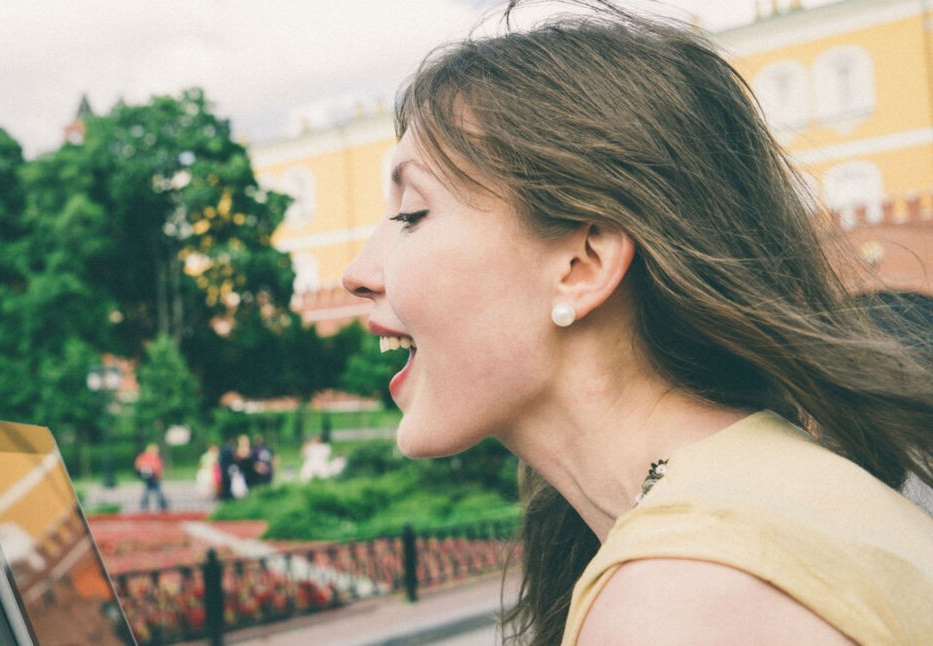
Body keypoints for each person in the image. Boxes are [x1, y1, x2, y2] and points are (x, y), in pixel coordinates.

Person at [341, 1, 933, 643]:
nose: (357, 273)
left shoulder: (683, 598)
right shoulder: (768, 496)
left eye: (411, 215)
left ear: (584, 263)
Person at [133, 443, 168, 511]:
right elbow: (139, 465)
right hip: (149, 478)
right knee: (149, 493)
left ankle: (161, 506)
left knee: (156, 493)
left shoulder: (154, 458)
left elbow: (160, 467)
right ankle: (145, 506)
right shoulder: (145, 457)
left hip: (154, 478)